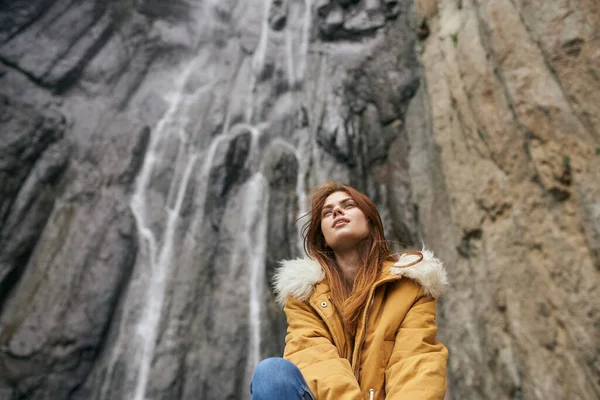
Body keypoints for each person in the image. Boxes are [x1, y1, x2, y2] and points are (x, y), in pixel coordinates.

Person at [250, 183, 448, 400]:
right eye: (327, 212)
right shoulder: (305, 295)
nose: (336, 211)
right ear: (322, 235)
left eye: (348, 205)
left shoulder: (410, 286)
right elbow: (313, 359)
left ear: (370, 220)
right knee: (271, 374)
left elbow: (415, 364)